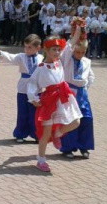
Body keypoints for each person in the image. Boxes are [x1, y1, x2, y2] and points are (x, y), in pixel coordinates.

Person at [26, 36, 82, 172]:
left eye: (58, 50)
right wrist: (33, 98)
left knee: (76, 121)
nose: (57, 53)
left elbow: (70, 46)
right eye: (53, 50)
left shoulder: (60, 62)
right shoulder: (41, 68)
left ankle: (57, 133)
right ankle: (41, 159)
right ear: (46, 50)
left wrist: (78, 30)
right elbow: (32, 83)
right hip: (49, 100)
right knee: (45, 134)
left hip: (63, 97)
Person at [58, 25, 95, 159]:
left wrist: (85, 87)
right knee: (70, 119)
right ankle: (68, 147)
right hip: (69, 91)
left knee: (86, 119)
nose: (79, 55)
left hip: (82, 93)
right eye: (77, 52)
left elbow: (91, 76)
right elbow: (67, 49)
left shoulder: (86, 61)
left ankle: (84, 147)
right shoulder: (67, 60)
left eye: (83, 52)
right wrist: (76, 34)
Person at [0, 34, 43, 143]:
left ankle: (36, 134)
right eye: (25, 47)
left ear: (38, 48)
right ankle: (20, 133)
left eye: (30, 47)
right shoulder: (21, 57)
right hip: (23, 88)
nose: (26, 50)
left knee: (35, 113)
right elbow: (9, 57)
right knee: (23, 112)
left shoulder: (42, 58)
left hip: (37, 89)